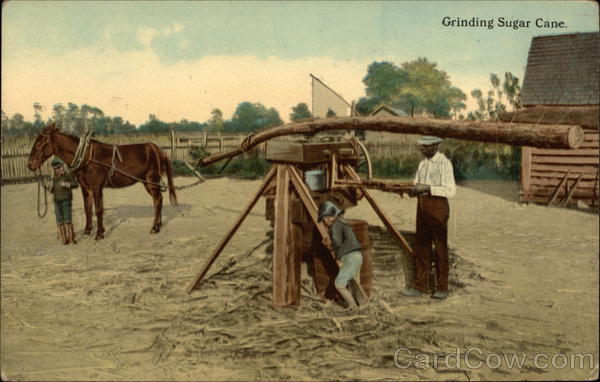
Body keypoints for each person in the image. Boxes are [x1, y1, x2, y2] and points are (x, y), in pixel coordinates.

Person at [403, 136, 456, 299]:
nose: (422, 150)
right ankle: (421, 286)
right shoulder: (423, 164)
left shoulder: (444, 163)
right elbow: (416, 185)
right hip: (422, 206)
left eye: (426, 147)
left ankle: (442, 288)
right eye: (421, 147)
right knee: (422, 247)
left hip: (438, 207)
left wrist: (427, 187)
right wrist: (408, 190)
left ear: (435, 147)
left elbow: (450, 190)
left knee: (440, 248)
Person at [318, 201, 363, 308]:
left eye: (325, 218)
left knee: (339, 284)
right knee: (352, 283)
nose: (325, 221)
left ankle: (353, 307)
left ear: (330, 217)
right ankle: (359, 304)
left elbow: (337, 242)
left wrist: (329, 243)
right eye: (324, 219)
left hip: (350, 257)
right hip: (355, 256)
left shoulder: (336, 224)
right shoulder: (341, 222)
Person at [48, 158, 79, 244]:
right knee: (59, 221)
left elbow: (76, 184)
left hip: (66, 199)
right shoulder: (54, 177)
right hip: (57, 200)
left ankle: (72, 239)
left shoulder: (68, 174)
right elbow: (52, 190)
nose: (60, 169)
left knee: (68, 220)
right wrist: (48, 187)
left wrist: (67, 184)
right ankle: (64, 239)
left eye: (60, 167)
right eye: (57, 168)